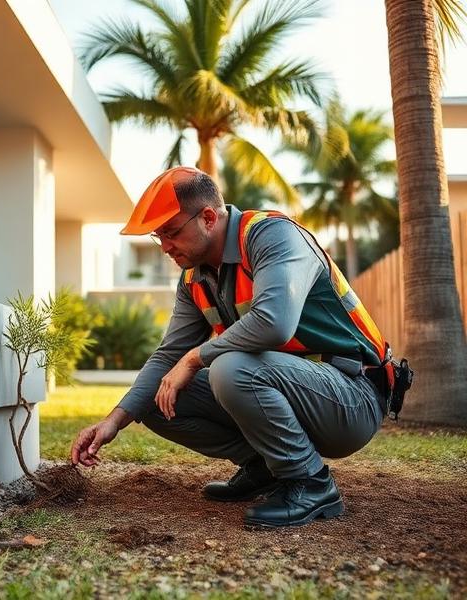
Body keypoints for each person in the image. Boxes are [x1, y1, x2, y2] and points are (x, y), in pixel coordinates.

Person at [70, 166, 394, 528]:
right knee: (156, 397)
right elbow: (166, 356)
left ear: (208, 217)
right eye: (158, 238)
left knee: (229, 367)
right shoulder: (194, 276)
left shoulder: (272, 235)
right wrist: (113, 421)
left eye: (172, 233)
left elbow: (274, 322)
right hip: (291, 389)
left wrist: (195, 357)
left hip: (352, 397)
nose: (165, 248)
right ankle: (266, 468)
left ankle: (311, 483)